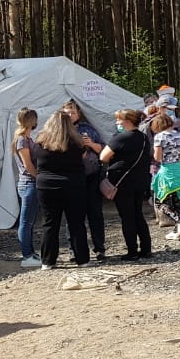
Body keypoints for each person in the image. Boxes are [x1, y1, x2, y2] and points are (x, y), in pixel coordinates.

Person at [32, 110, 90, 269]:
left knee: (50, 224)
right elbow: (82, 157)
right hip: (73, 184)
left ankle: (48, 261)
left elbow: (35, 159)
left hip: (47, 185)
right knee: (76, 223)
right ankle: (82, 259)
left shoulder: (40, 143)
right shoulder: (78, 143)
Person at [100, 109, 153, 261]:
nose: (117, 123)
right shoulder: (143, 137)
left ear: (127, 121)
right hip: (140, 181)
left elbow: (103, 156)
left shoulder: (120, 138)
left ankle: (132, 251)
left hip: (122, 182)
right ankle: (146, 248)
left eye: (119, 120)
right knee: (138, 214)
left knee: (127, 217)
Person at [62, 100, 108, 262]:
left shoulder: (87, 129)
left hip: (91, 176)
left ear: (79, 114)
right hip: (71, 177)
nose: (70, 115)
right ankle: (74, 250)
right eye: (67, 112)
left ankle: (99, 248)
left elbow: (102, 149)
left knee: (95, 213)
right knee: (73, 215)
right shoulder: (60, 131)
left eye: (73, 112)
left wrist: (91, 144)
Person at [150, 113, 180, 240]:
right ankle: (177, 230)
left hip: (167, 172)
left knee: (160, 202)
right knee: (178, 201)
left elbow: (157, 157)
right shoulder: (179, 135)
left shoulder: (159, 137)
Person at [13, 108, 42, 268]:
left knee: (29, 222)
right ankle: (26, 255)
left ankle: (30, 252)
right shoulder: (22, 140)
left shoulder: (27, 138)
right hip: (28, 183)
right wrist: (40, 177)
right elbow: (28, 165)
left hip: (30, 183)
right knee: (25, 222)